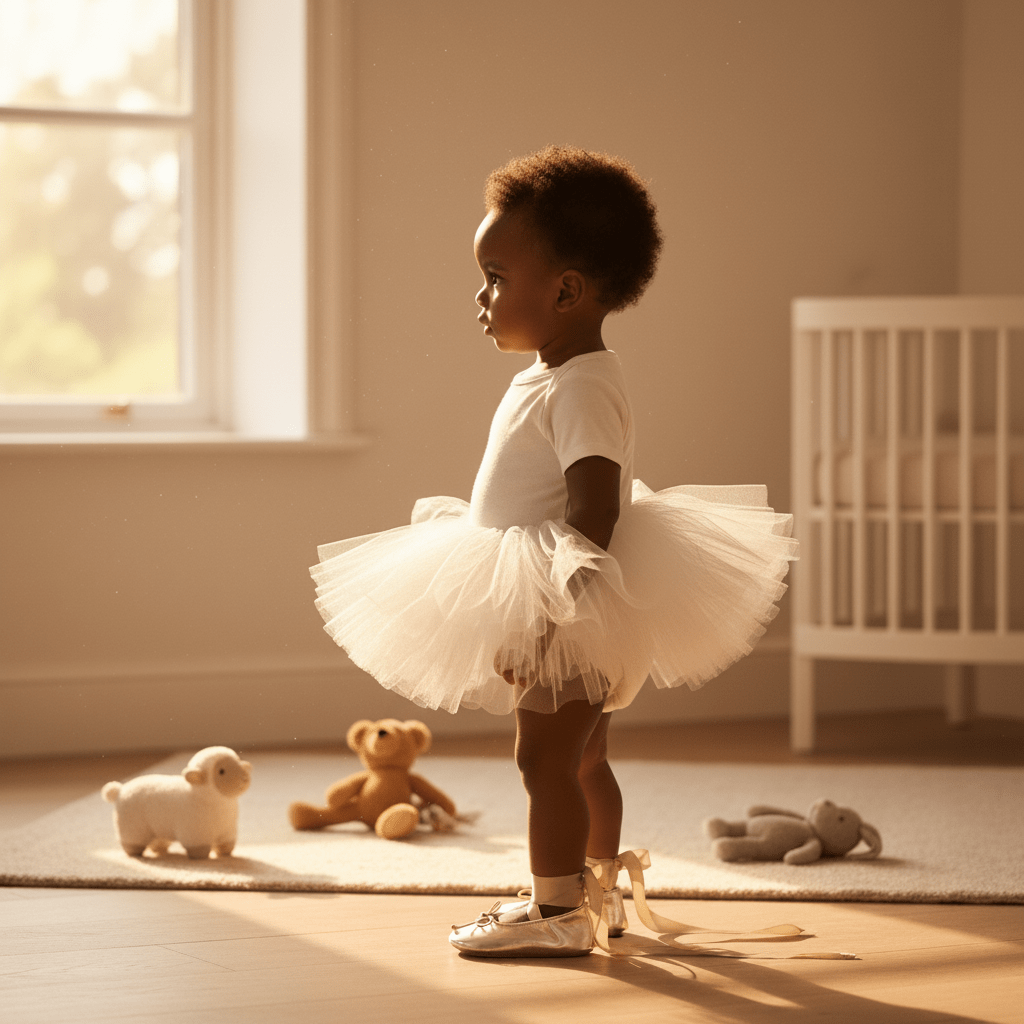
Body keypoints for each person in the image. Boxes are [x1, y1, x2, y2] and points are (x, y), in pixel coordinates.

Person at [310, 146, 797, 958]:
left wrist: (549, 617)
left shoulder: (581, 384)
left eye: (496, 275)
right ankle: (590, 888)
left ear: (565, 290)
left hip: (568, 596)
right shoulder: (553, 372)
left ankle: (556, 910)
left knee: (543, 758)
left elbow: (595, 507)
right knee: (581, 756)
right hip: (561, 591)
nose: (481, 295)